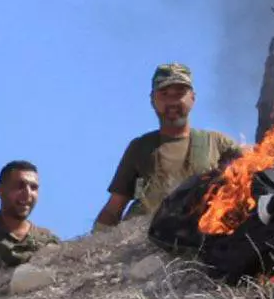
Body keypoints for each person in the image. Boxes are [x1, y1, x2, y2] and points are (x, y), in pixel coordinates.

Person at [95, 64, 244, 230]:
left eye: (180, 94)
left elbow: (251, 177)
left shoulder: (218, 144)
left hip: (200, 236)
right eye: (164, 94)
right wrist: (92, 244)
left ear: (192, 98)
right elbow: (114, 207)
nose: (172, 101)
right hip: (143, 242)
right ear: (153, 100)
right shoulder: (140, 147)